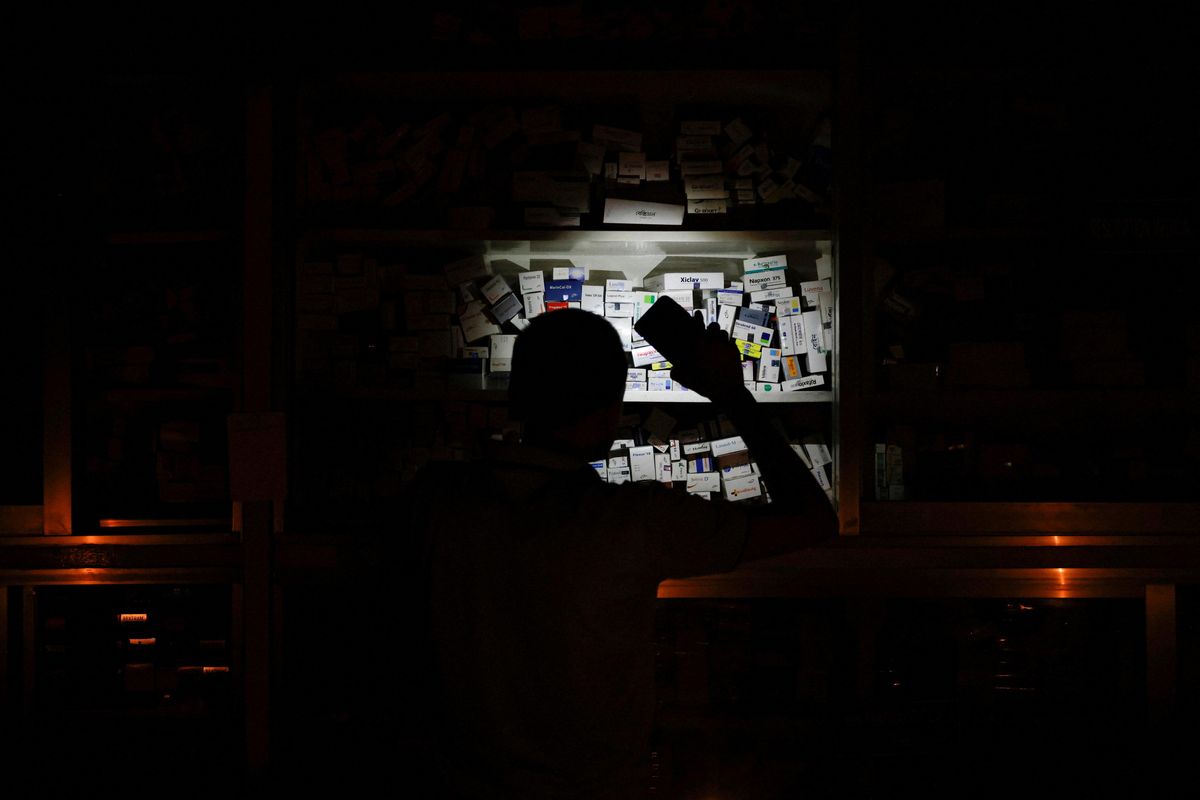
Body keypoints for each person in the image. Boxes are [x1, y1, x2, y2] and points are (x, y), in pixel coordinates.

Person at [407, 308, 838, 799]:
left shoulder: (436, 501)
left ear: (516, 396)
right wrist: (731, 392)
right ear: (612, 408)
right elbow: (813, 520)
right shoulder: (635, 520)